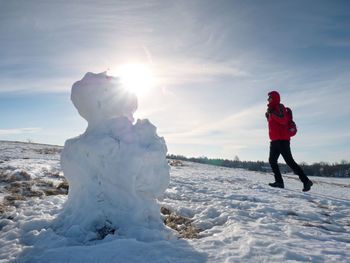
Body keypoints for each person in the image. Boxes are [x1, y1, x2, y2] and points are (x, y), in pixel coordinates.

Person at [265, 91, 313, 192]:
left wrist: (272, 114)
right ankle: (279, 182)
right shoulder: (271, 110)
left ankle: (306, 181)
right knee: (272, 160)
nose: (268, 100)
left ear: (274, 98)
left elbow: (282, 120)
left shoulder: (279, 107)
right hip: (274, 140)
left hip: (282, 140)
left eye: (270, 98)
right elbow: (274, 125)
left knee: (290, 162)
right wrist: (268, 116)